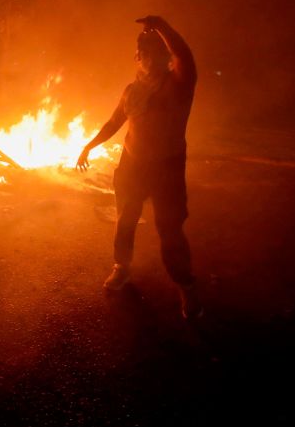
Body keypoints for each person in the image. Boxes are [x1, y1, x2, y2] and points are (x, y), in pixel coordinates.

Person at [76, 16, 202, 319]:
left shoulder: (178, 84)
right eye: (144, 53)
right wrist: (88, 145)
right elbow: (114, 122)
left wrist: (162, 26)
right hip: (132, 165)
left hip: (166, 168)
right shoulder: (132, 89)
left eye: (158, 53)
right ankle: (122, 267)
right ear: (138, 56)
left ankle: (186, 286)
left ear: (165, 56)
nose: (148, 58)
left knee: (169, 230)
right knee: (125, 219)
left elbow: (184, 55)